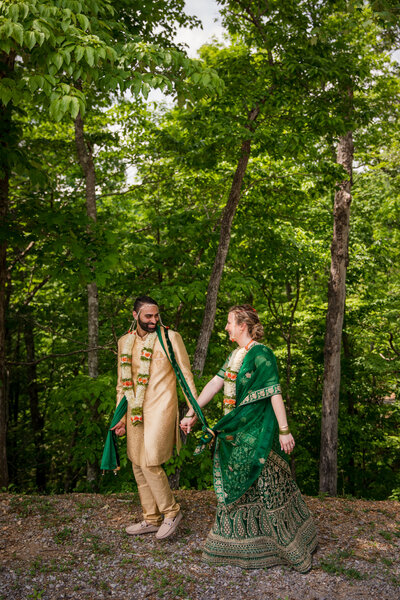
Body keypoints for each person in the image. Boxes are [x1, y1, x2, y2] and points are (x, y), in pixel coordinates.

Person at [180, 304, 317, 571]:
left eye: (229, 322)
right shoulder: (234, 356)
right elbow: (214, 384)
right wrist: (192, 412)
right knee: (238, 484)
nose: (226, 327)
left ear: (242, 325)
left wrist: (284, 430)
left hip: (258, 432)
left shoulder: (262, 354)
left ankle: (283, 546)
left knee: (267, 485)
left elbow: (274, 392)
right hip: (235, 433)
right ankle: (234, 547)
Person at [112, 296, 197, 540]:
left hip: (161, 408)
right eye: (148, 316)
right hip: (134, 410)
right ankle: (151, 518)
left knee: (149, 461)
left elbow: (185, 375)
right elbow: (121, 384)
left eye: (156, 316)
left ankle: (172, 513)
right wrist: (120, 416)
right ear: (134, 315)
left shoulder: (170, 338)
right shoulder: (124, 342)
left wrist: (193, 410)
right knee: (137, 464)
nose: (154, 320)